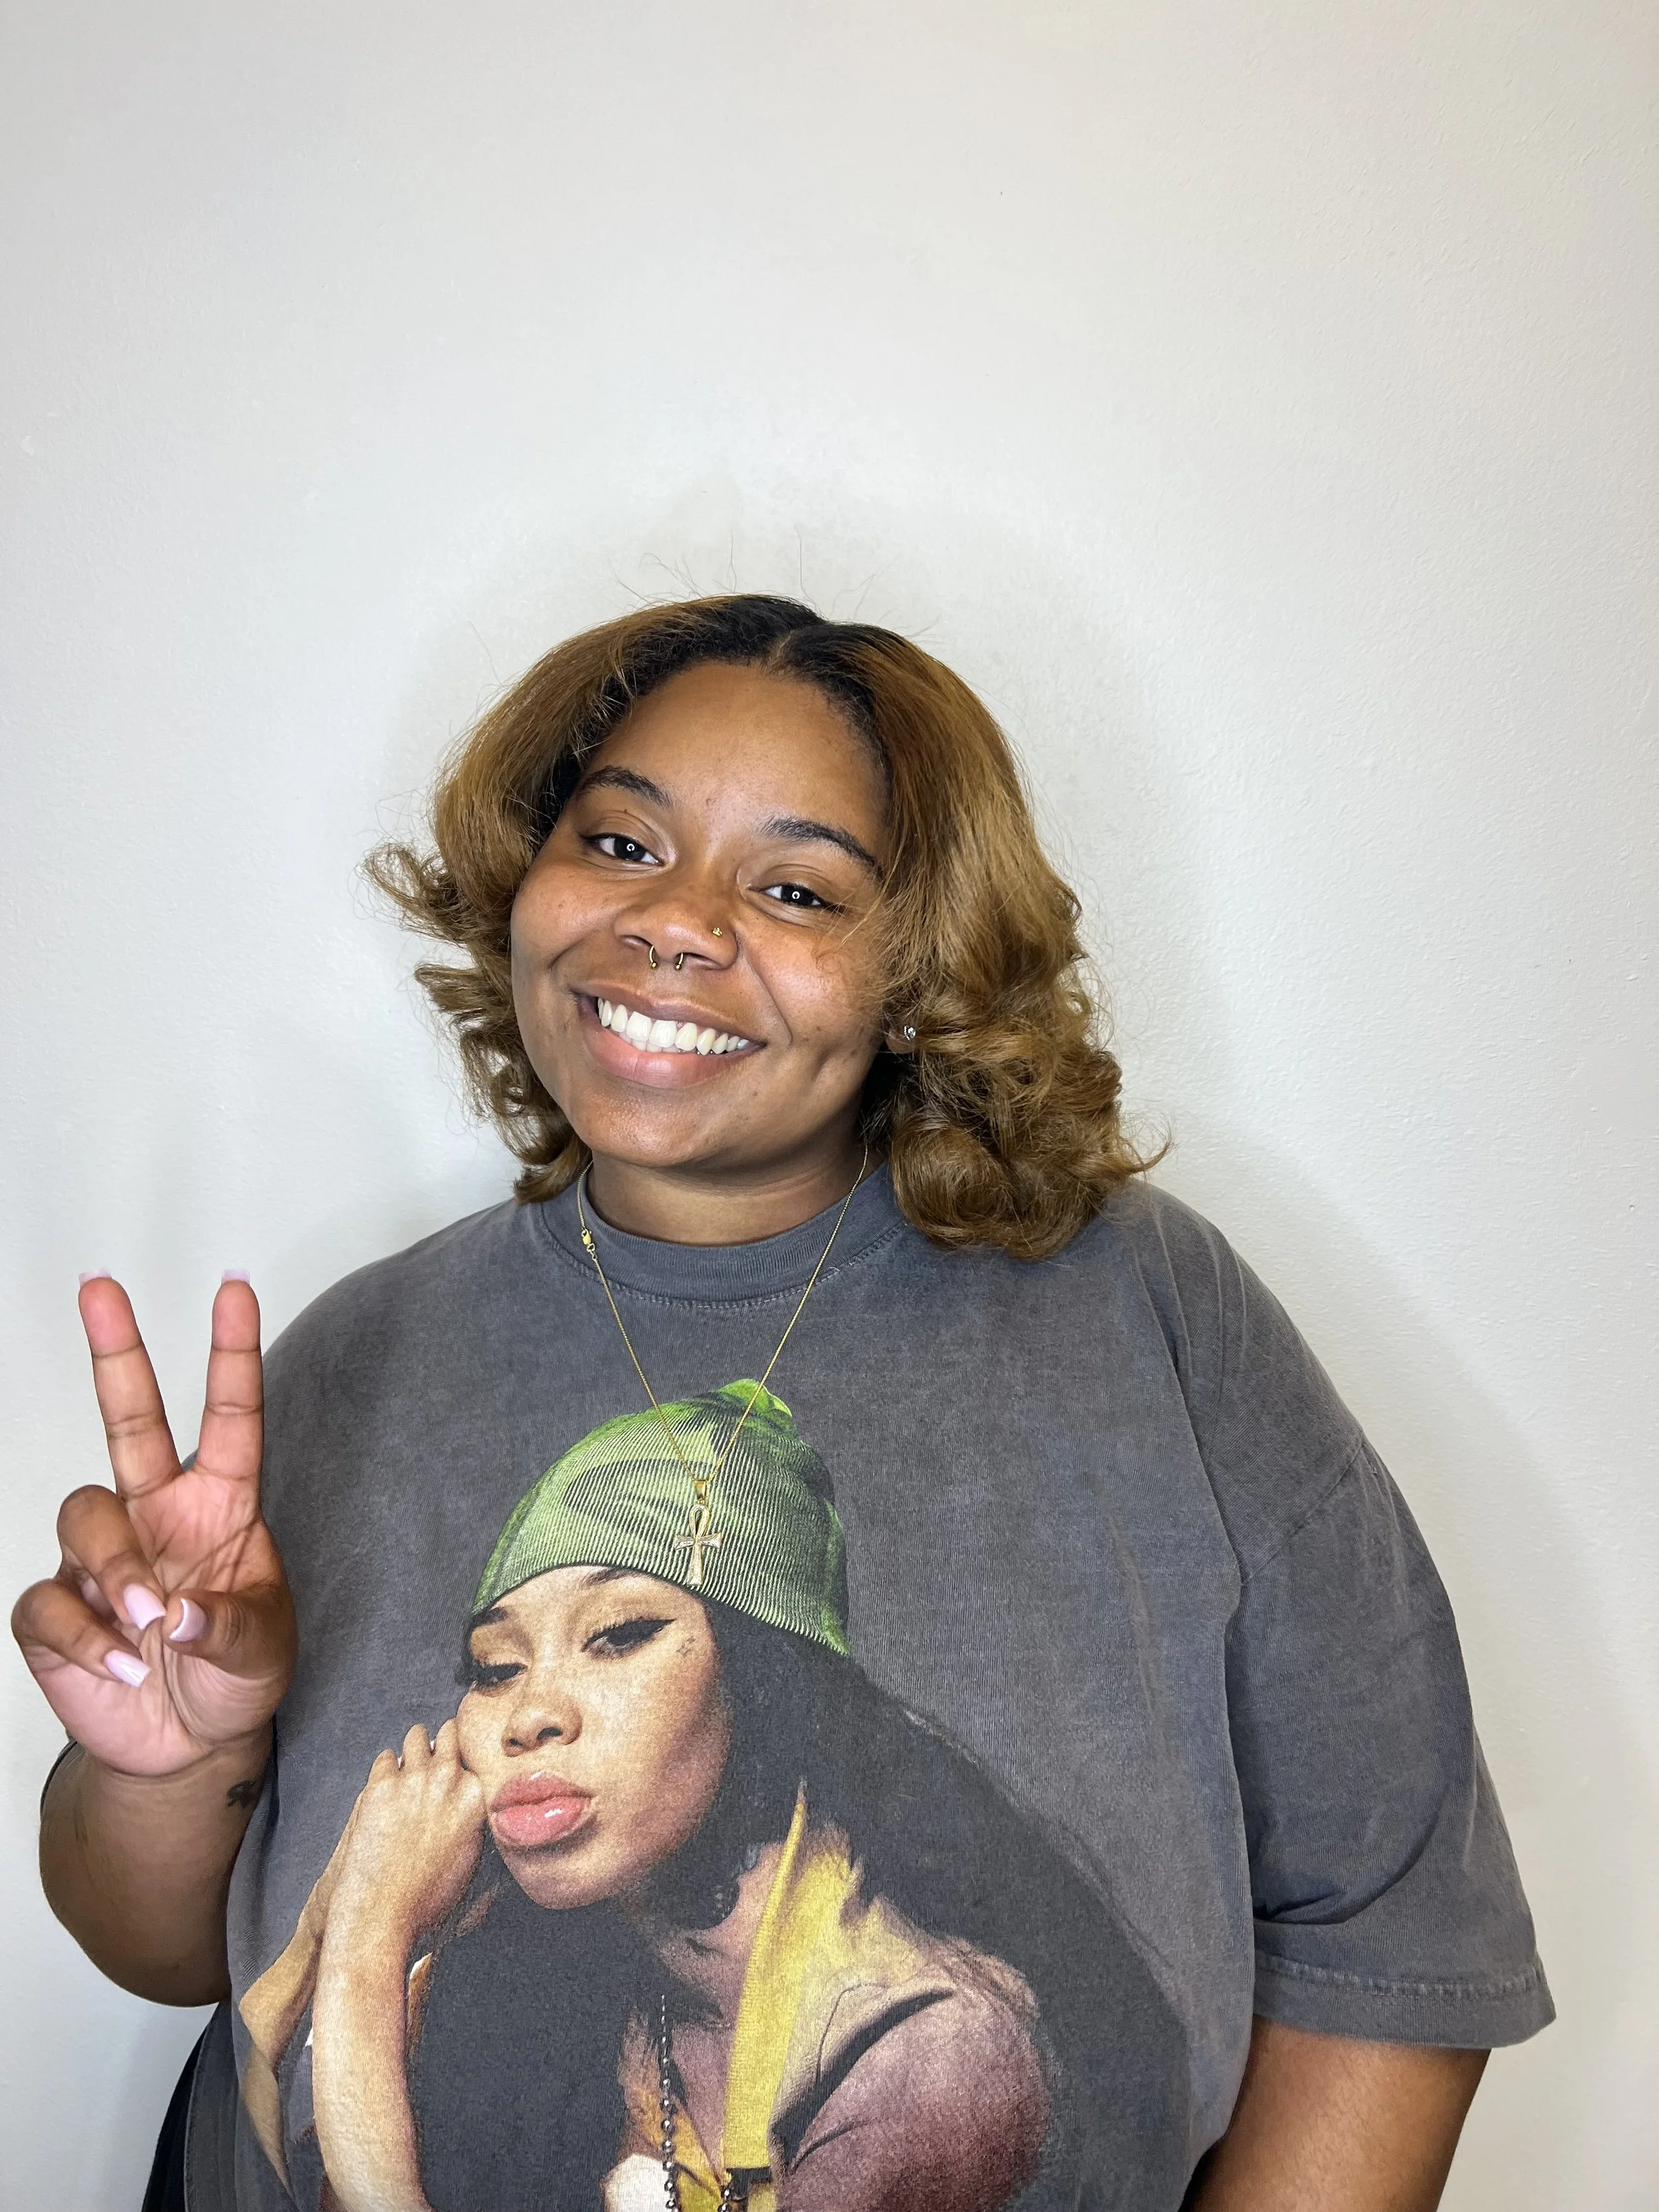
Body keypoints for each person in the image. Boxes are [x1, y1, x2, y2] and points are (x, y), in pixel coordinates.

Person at [15, 594, 1551, 2211]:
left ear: (915, 971)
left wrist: (367, 1969)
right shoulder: (350, 1355)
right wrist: (171, 1766)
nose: (672, 921)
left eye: (795, 885)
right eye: (617, 844)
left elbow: (1393, 1933)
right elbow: (164, 1946)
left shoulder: (1148, 1316)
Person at [236, 1380, 1175, 2212]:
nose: (530, 1715)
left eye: (619, 1634)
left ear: (762, 1677)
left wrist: (361, 1960)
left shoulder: (931, 2056)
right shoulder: (534, 1976)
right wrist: (314, 1947)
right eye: (496, 1666)